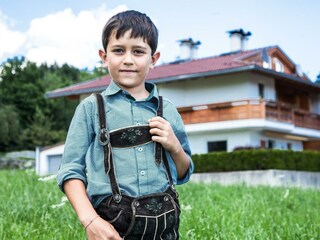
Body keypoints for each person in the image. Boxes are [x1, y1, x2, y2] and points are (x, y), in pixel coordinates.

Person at [57, 10, 194, 240]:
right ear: (104, 56)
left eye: (138, 51)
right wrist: (91, 221)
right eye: (118, 50)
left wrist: (174, 146)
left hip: (164, 224)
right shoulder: (91, 108)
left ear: (153, 59)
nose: (128, 59)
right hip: (112, 225)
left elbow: (184, 172)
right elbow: (71, 170)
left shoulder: (166, 109)